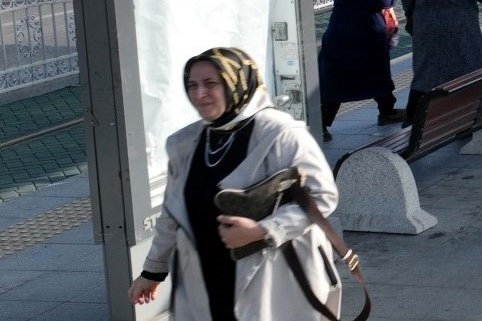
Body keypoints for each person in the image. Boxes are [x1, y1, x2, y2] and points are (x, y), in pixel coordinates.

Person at [128, 47, 341, 320]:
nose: (199, 94)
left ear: (236, 83)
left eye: (210, 84)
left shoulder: (280, 134)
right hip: (203, 278)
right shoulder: (184, 144)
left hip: (271, 278)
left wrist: (263, 230)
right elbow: (172, 213)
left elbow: (323, 196)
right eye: (192, 85)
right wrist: (152, 271)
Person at [318, 0, 404, 141]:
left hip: (339, 26)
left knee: (335, 77)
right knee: (376, 71)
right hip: (366, 30)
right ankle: (387, 111)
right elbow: (378, 1)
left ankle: (322, 123)